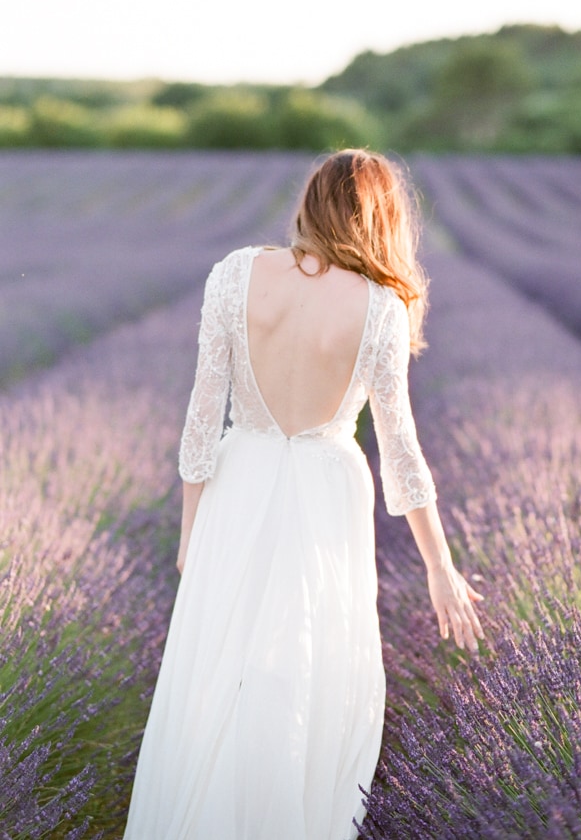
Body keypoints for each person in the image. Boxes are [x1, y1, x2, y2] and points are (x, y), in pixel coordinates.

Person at [123, 149, 484, 840]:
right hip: (326, 492)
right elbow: (400, 448)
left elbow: (203, 417)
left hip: (239, 482)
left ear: (311, 202)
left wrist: (188, 534)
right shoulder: (380, 306)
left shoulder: (234, 275)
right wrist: (440, 567)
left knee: (216, 672)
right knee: (305, 671)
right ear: (381, 218)